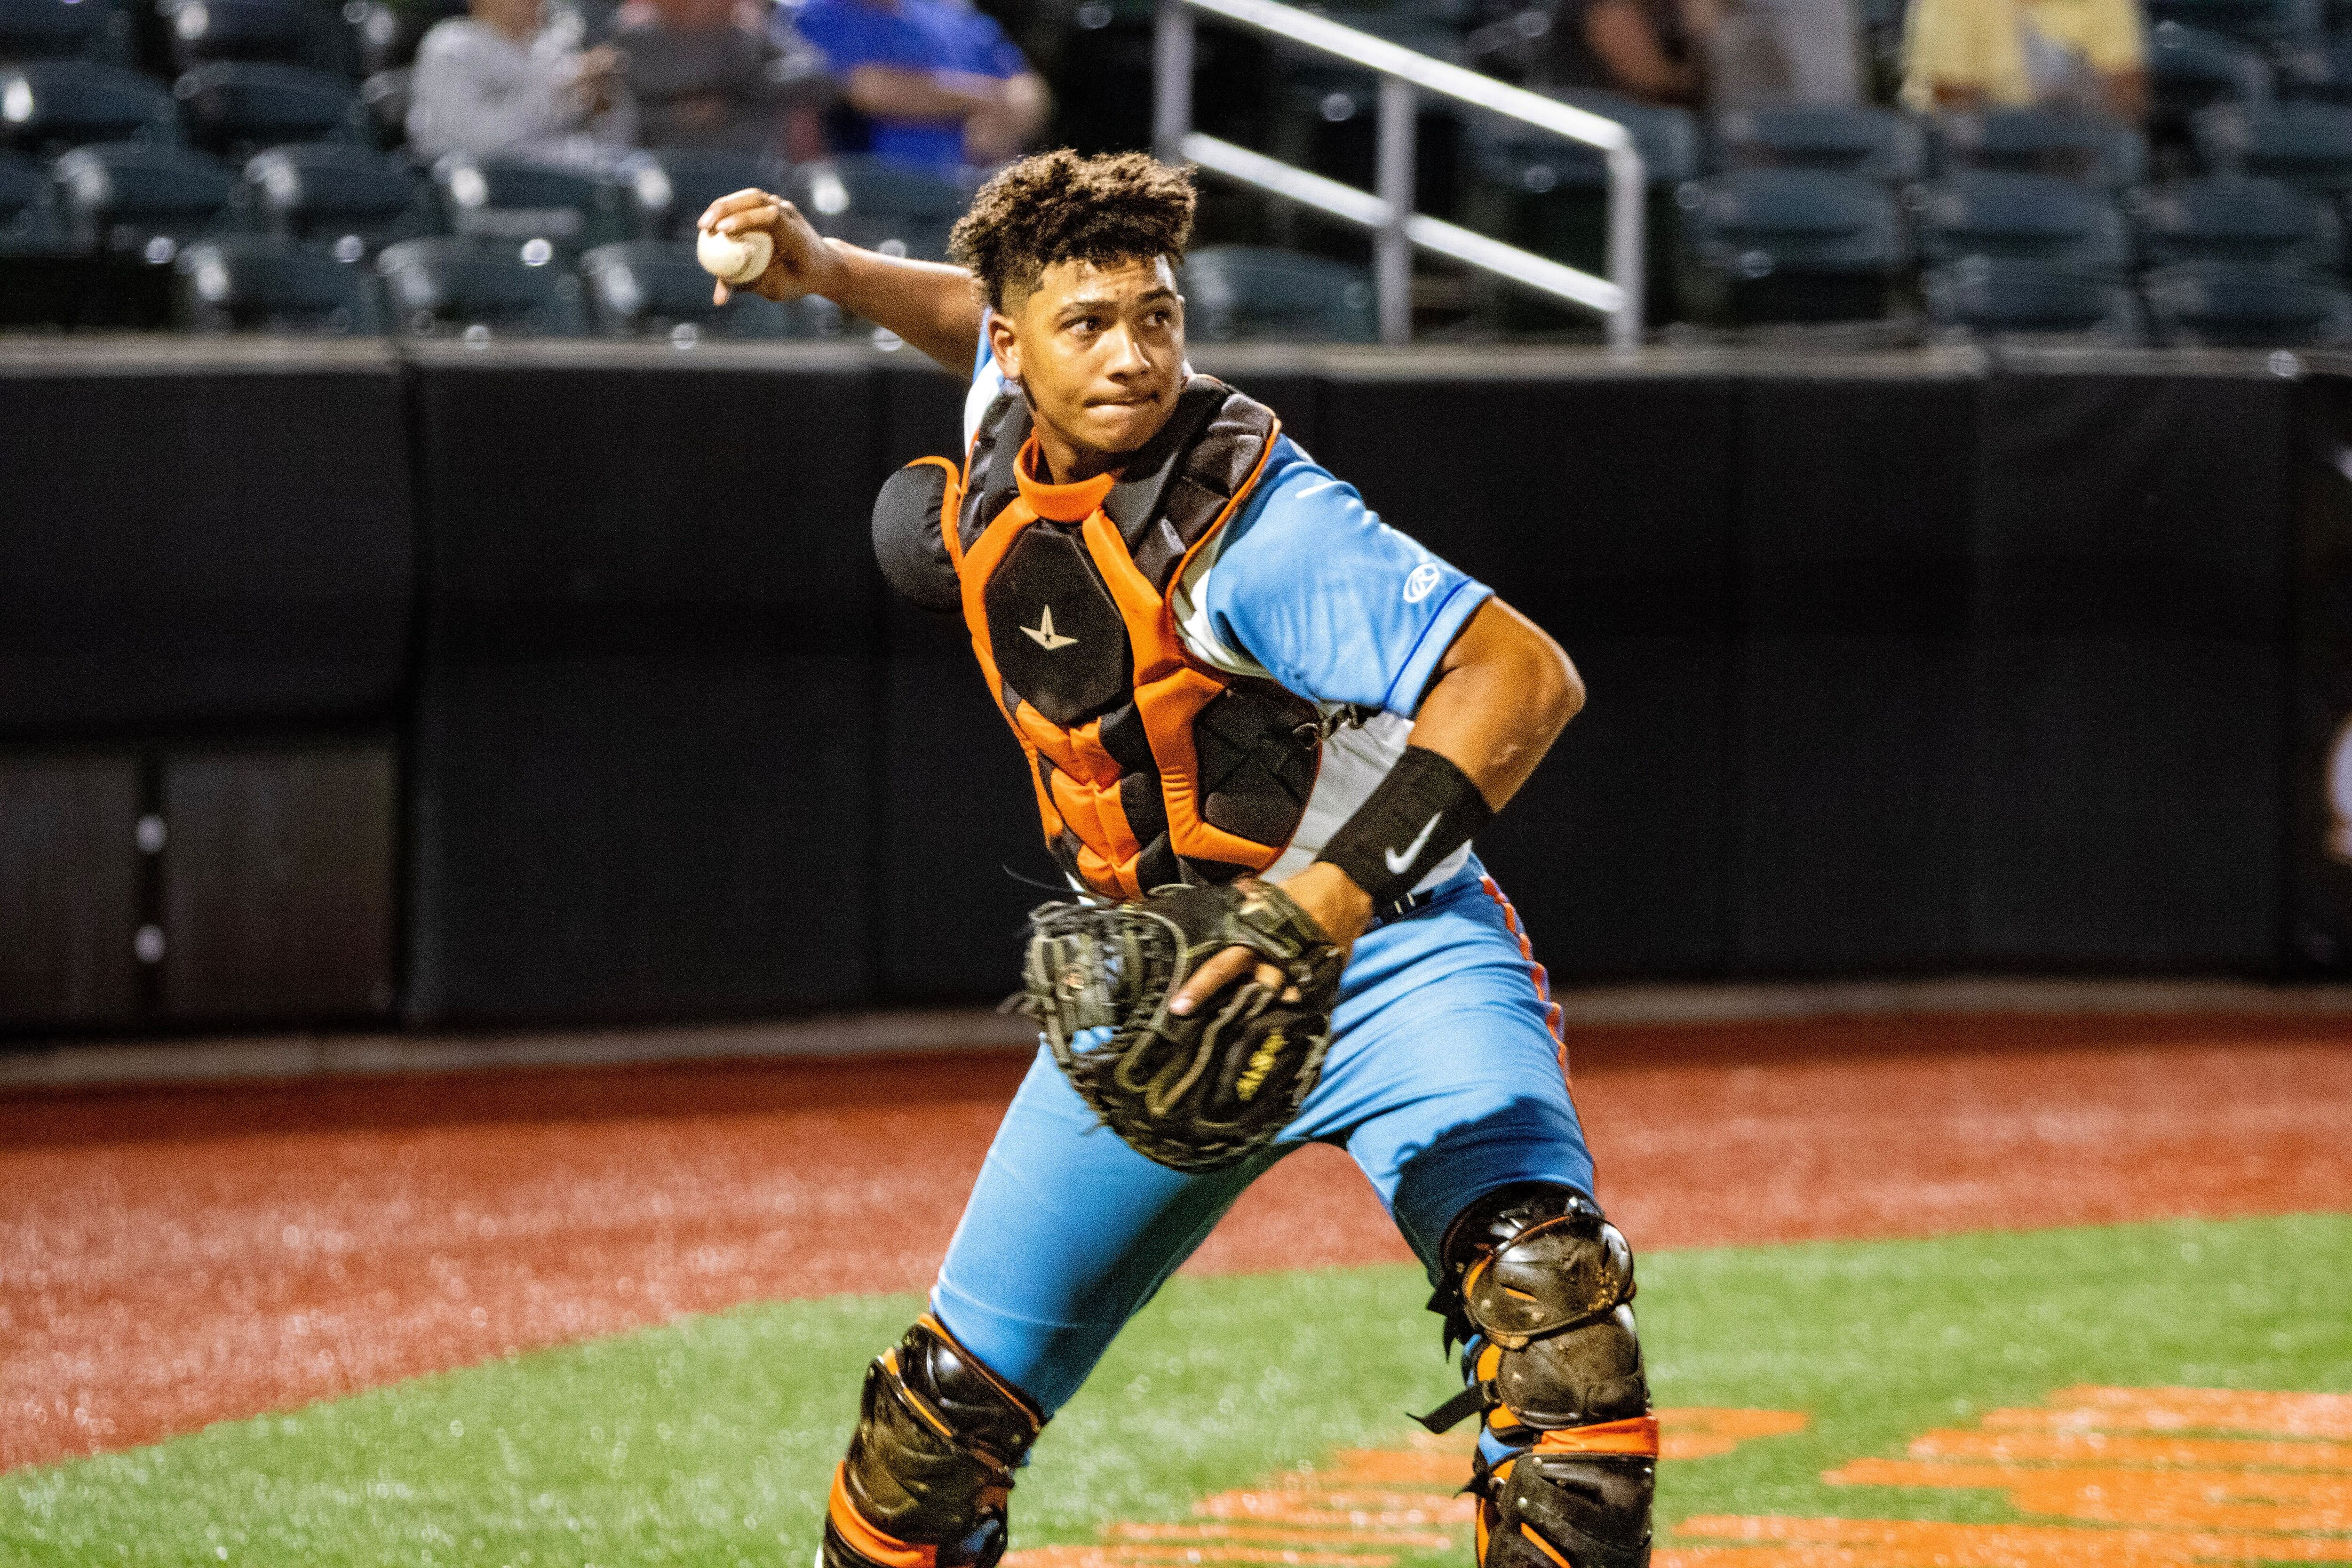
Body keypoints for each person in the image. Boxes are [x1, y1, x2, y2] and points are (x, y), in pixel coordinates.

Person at [699, 149, 1657, 1568]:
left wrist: (1319, 904)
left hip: (1393, 953)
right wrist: (829, 271)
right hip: (1157, 983)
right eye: (1087, 325)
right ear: (1015, 348)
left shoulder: (1260, 526)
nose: (1133, 356)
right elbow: (967, 311)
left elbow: (1522, 678)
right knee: (930, 1438)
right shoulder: (1005, 420)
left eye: (1157, 317)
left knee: (1554, 1316)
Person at [787, 0, 1049, 174]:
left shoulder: (949, 14)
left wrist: (1007, 118)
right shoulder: (813, 14)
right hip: (870, 203)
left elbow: (1031, 91)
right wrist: (988, 103)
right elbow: (867, 89)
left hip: (967, 197)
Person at [406, 0, 637, 165]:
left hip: (562, 186)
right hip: (481, 193)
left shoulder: (552, 49)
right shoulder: (451, 47)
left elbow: (614, 145)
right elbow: (470, 143)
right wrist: (561, 90)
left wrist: (602, 103)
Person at [612, 0, 830, 155]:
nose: (700, 7)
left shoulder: (751, 38)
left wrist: (739, 94)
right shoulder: (636, 44)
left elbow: (816, 75)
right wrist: (676, 112)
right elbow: (614, 105)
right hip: (660, 171)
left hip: (745, 168)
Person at [1899, 0, 2146, 121]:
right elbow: (1951, 104)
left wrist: (2079, 100)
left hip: (2074, 163)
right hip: (1967, 165)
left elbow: (2128, 98)